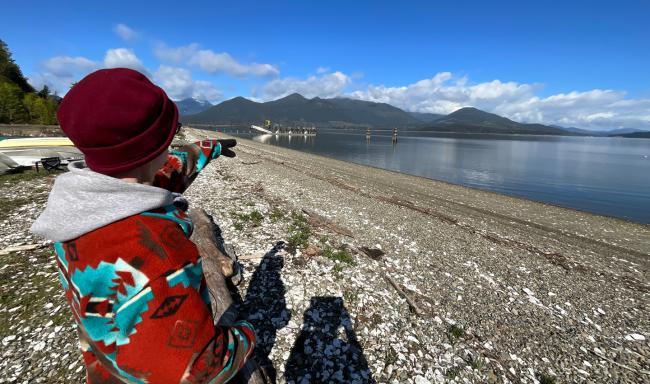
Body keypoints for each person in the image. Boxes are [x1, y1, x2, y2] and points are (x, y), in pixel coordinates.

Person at [30, 68, 255, 383]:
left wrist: (206, 149)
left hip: (107, 367)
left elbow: (159, 174)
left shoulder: (77, 207)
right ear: (156, 148)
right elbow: (200, 369)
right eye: (169, 134)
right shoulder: (157, 253)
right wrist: (246, 334)